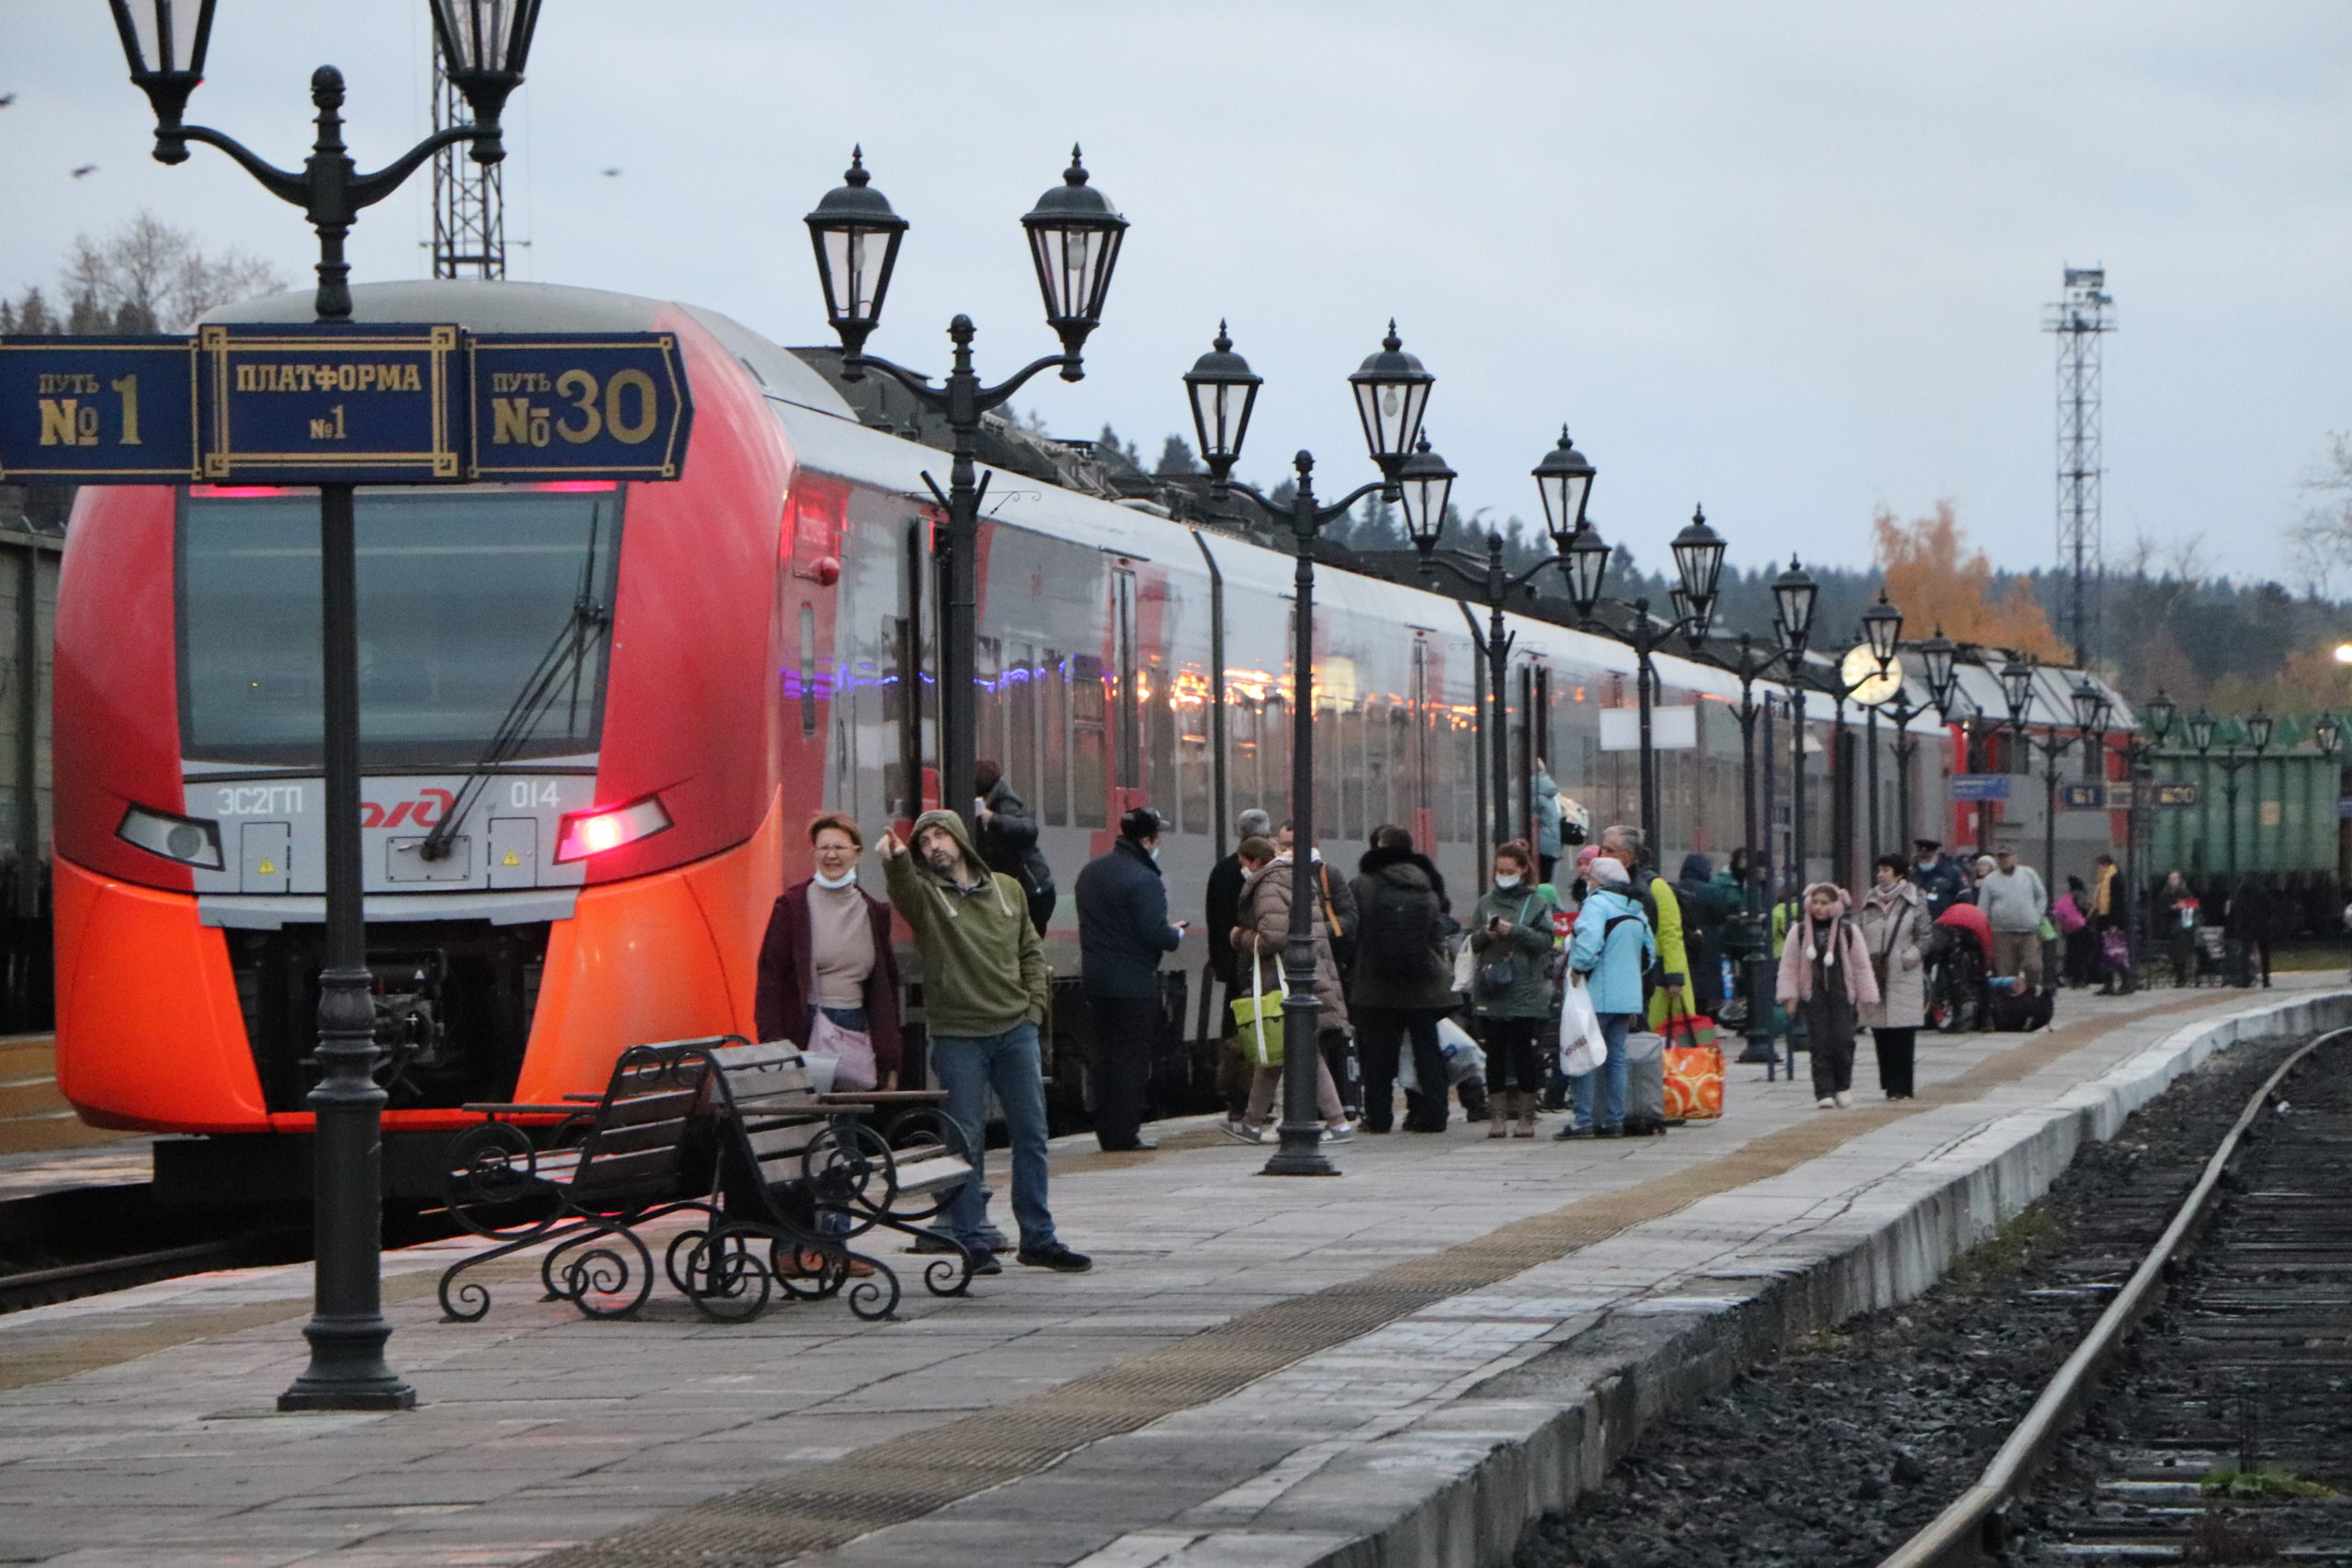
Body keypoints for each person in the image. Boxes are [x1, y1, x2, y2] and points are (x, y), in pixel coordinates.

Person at [881, 809, 1090, 1274]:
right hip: (958, 1035)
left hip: (1015, 1029)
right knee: (965, 1138)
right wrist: (896, 861)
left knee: (1032, 1134)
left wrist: (1034, 1010)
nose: (933, 846)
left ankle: (1038, 1236)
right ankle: (970, 1236)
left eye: (939, 836)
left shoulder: (1008, 889)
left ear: (959, 838)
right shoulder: (929, 898)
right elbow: (904, 890)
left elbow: (1030, 953)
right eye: (924, 842)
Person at [755, 813, 904, 1083]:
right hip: (804, 1028)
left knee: (849, 1117)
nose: (831, 855)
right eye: (824, 848)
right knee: (811, 1119)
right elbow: (770, 978)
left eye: (839, 847)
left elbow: (886, 991)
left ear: (857, 854)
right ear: (814, 853)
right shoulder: (791, 906)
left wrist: (889, 1058)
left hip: (855, 1028)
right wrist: (772, 1042)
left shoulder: (874, 912)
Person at [1226, 834, 1355, 1143]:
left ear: (1255, 862)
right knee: (1279, 1052)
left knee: (1299, 1051)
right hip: (1303, 980)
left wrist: (1239, 937)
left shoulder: (1269, 885)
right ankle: (1253, 1123)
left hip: (1290, 984)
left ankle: (1337, 1124)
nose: (1243, 870)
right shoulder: (1291, 880)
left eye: (1244, 864)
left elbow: (1273, 937)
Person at [1073, 807, 1186, 1152]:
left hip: (1095, 979)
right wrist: (1175, 935)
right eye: (1158, 838)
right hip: (1134, 984)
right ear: (1148, 840)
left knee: (1104, 1058)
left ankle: (1107, 1129)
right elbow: (1155, 934)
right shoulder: (1144, 879)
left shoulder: (1091, 872)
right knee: (1131, 1060)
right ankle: (1124, 1133)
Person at [1349, 825, 1457, 1132]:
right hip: (1423, 981)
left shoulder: (1364, 884)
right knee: (1427, 1050)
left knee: (1380, 1055)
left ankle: (1379, 1118)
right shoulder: (1427, 882)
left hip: (1377, 982)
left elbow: (1353, 930)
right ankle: (1435, 1115)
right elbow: (1439, 930)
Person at [1557, 855, 1655, 1138]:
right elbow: (1648, 953)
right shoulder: (1637, 910)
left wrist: (1578, 969)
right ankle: (1615, 1120)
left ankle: (1583, 1119)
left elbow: (1588, 942)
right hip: (1627, 997)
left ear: (1597, 882)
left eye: (1590, 879)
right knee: (1616, 1059)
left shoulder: (1596, 905)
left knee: (1584, 1055)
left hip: (1595, 995)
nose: (1587, 884)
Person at [1468, 840, 1556, 1137]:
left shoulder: (1536, 902)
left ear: (1522, 870)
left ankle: (1526, 1116)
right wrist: (1487, 933)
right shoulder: (1485, 902)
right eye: (1499, 870)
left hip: (1523, 989)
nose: (1503, 875)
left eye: (1509, 870)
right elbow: (1474, 943)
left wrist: (1515, 930)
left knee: (1523, 1052)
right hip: (1492, 986)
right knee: (1494, 1052)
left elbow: (1545, 942)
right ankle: (1496, 1117)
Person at [1777, 881, 1880, 1109]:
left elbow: (1861, 966)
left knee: (1843, 1041)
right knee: (1820, 1043)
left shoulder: (1849, 931)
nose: (1818, 908)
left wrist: (1868, 997)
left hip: (1842, 994)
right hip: (1813, 995)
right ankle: (1824, 1090)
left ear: (1836, 905)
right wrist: (1789, 995)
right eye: (1814, 902)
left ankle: (1843, 1085)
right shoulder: (1800, 931)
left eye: (1824, 903)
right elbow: (1789, 965)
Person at [1204, 808, 1274, 1123]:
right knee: (1264, 1035)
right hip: (1261, 967)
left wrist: (1224, 966)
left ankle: (1240, 1100)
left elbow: (1216, 923)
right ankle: (1255, 1102)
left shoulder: (1222, 871)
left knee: (1238, 1036)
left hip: (1237, 970)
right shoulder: (1271, 872)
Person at [1597, 825, 1687, 1030]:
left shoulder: (1651, 887)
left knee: (1638, 1041)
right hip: (1612, 980)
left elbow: (1669, 932)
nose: (1601, 855)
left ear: (1627, 856)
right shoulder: (1601, 885)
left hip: (1643, 977)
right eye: (1601, 849)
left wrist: (1674, 976)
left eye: (1608, 850)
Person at [1858, 854, 1928, 1099]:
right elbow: (1860, 932)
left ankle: (1902, 1086)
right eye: (1879, 870)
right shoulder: (1870, 900)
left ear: (1899, 873)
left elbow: (1926, 935)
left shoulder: (1913, 900)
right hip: (1875, 971)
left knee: (1902, 1032)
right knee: (1880, 1031)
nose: (1881, 874)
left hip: (1903, 972)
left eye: (1886, 869)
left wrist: (1910, 956)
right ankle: (1889, 1084)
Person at [973, 760, 1056, 938]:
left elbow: (1028, 830)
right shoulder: (994, 800)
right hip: (1026, 892)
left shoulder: (1004, 803)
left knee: (1025, 947)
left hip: (1034, 892)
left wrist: (993, 819)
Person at [1977, 848, 2047, 989]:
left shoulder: (2029, 874)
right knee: (2005, 972)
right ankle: (2009, 1003)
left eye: (2007, 856)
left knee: (2033, 966)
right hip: (2002, 933)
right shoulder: (1990, 880)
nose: (2004, 860)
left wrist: (2036, 915)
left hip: (2028, 931)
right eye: (2001, 857)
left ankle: (2030, 991)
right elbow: (1983, 908)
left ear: (2015, 858)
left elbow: (2041, 896)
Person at [1672, 852, 1727, 1017]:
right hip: (1707, 942)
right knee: (1705, 987)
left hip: (1682, 939)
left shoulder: (1675, 888)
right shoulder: (1709, 891)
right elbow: (1720, 914)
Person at [2088, 853, 2126, 994]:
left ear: (2104, 864)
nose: (2097, 868)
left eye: (2098, 865)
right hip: (2103, 920)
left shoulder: (2114, 877)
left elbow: (2117, 902)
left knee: (2115, 952)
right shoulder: (2104, 879)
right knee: (2105, 953)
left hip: (2111, 921)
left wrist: (2115, 922)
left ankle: (2125, 980)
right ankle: (2108, 983)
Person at [2162, 870, 2200, 987]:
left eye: (2175, 879)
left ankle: (2182, 976)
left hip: (2183, 927)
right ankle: (2180, 975)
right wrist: (2171, 908)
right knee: (2175, 951)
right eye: (2171, 879)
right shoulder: (2165, 893)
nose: (2172, 881)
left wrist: (2179, 906)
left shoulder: (2185, 892)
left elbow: (2194, 907)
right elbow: (2160, 908)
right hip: (2169, 926)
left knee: (2181, 950)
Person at [2056, 874, 2096, 988]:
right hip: (2081, 929)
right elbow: (2084, 909)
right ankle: (2080, 980)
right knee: (2082, 955)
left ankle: (2072, 978)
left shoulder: (2067, 897)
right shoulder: (2081, 895)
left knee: (2072, 955)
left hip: (2070, 930)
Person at [1909, 840, 1965, 918]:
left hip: (1945, 921)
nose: (1924, 862)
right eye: (1921, 859)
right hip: (1919, 921)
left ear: (1936, 856)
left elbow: (1964, 898)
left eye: (1928, 859)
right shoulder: (1913, 874)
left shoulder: (1950, 872)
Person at [1532, 762, 1565, 884]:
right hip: (1551, 845)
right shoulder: (1549, 793)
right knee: (1547, 883)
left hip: (1540, 846)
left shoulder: (1534, 792)